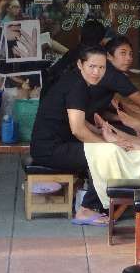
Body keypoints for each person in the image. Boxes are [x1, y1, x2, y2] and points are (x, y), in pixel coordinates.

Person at [30, 45, 112, 226]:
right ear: (80, 64)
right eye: (92, 66)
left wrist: (99, 132)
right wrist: (106, 146)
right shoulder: (77, 86)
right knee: (106, 156)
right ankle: (86, 209)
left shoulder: (74, 80)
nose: (97, 72)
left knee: (103, 150)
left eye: (101, 67)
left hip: (46, 145)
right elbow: (77, 130)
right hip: (50, 150)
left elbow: (76, 118)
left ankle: (92, 198)